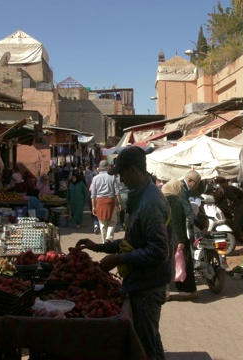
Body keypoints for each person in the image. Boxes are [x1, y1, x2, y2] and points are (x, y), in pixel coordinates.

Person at [76, 146, 172, 360]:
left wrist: (119, 259)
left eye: (121, 175)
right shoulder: (142, 196)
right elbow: (133, 241)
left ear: (133, 170)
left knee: (145, 348)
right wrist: (100, 246)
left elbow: (158, 251)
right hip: (144, 281)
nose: (120, 180)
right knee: (151, 341)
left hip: (149, 285)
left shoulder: (149, 203)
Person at [161, 178, 197, 300]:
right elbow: (177, 222)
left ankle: (165, 292)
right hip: (175, 237)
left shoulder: (162, 200)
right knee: (182, 263)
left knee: (168, 264)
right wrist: (181, 240)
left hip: (165, 237)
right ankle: (186, 290)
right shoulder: (174, 202)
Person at [90, 160, 122, 243]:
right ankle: (109, 238)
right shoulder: (112, 177)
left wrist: (93, 206)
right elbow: (117, 192)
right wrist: (119, 203)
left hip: (99, 202)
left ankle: (105, 243)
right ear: (107, 167)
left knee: (102, 223)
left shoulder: (95, 178)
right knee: (113, 221)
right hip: (110, 201)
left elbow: (93, 195)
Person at [182, 170, 202, 240]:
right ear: (190, 180)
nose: (196, 186)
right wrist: (201, 227)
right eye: (196, 183)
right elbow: (188, 211)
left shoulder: (185, 189)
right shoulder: (182, 189)